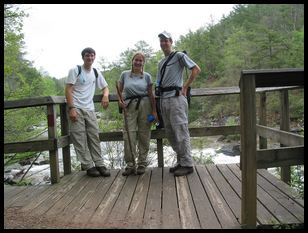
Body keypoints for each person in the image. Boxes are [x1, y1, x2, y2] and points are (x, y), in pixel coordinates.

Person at [157, 31, 201, 176]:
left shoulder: (179, 56)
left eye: (166, 40)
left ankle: (188, 164)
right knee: (170, 133)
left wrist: (186, 86)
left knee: (181, 131)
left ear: (171, 41)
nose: (164, 43)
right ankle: (181, 161)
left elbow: (196, 69)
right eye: (161, 41)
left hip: (176, 99)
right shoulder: (161, 62)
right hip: (164, 99)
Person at [65, 47, 110, 177]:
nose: (89, 58)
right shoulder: (75, 70)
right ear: (83, 57)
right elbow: (68, 89)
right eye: (87, 55)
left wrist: (105, 95)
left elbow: (105, 87)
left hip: (90, 108)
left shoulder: (95, 72)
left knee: (94, 136)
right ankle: (88, 166)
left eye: (92, 55)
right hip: (77, 108)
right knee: (79, 137)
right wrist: (71, 108)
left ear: (94, 57)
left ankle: (99, 163)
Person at [117, 52, 158, 176]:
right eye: (136, 60)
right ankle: (130, 165)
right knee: (129, 134)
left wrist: (154, 111)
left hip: (145, 105)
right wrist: (120, 102)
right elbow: (119, 92)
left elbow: (151, 94)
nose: (138, 62)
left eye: (141, 61)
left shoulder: (146, 76)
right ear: (132, 60)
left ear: (143, 63)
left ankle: (142, 163)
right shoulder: (124, 74)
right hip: (129, 106)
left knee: (144, 133)